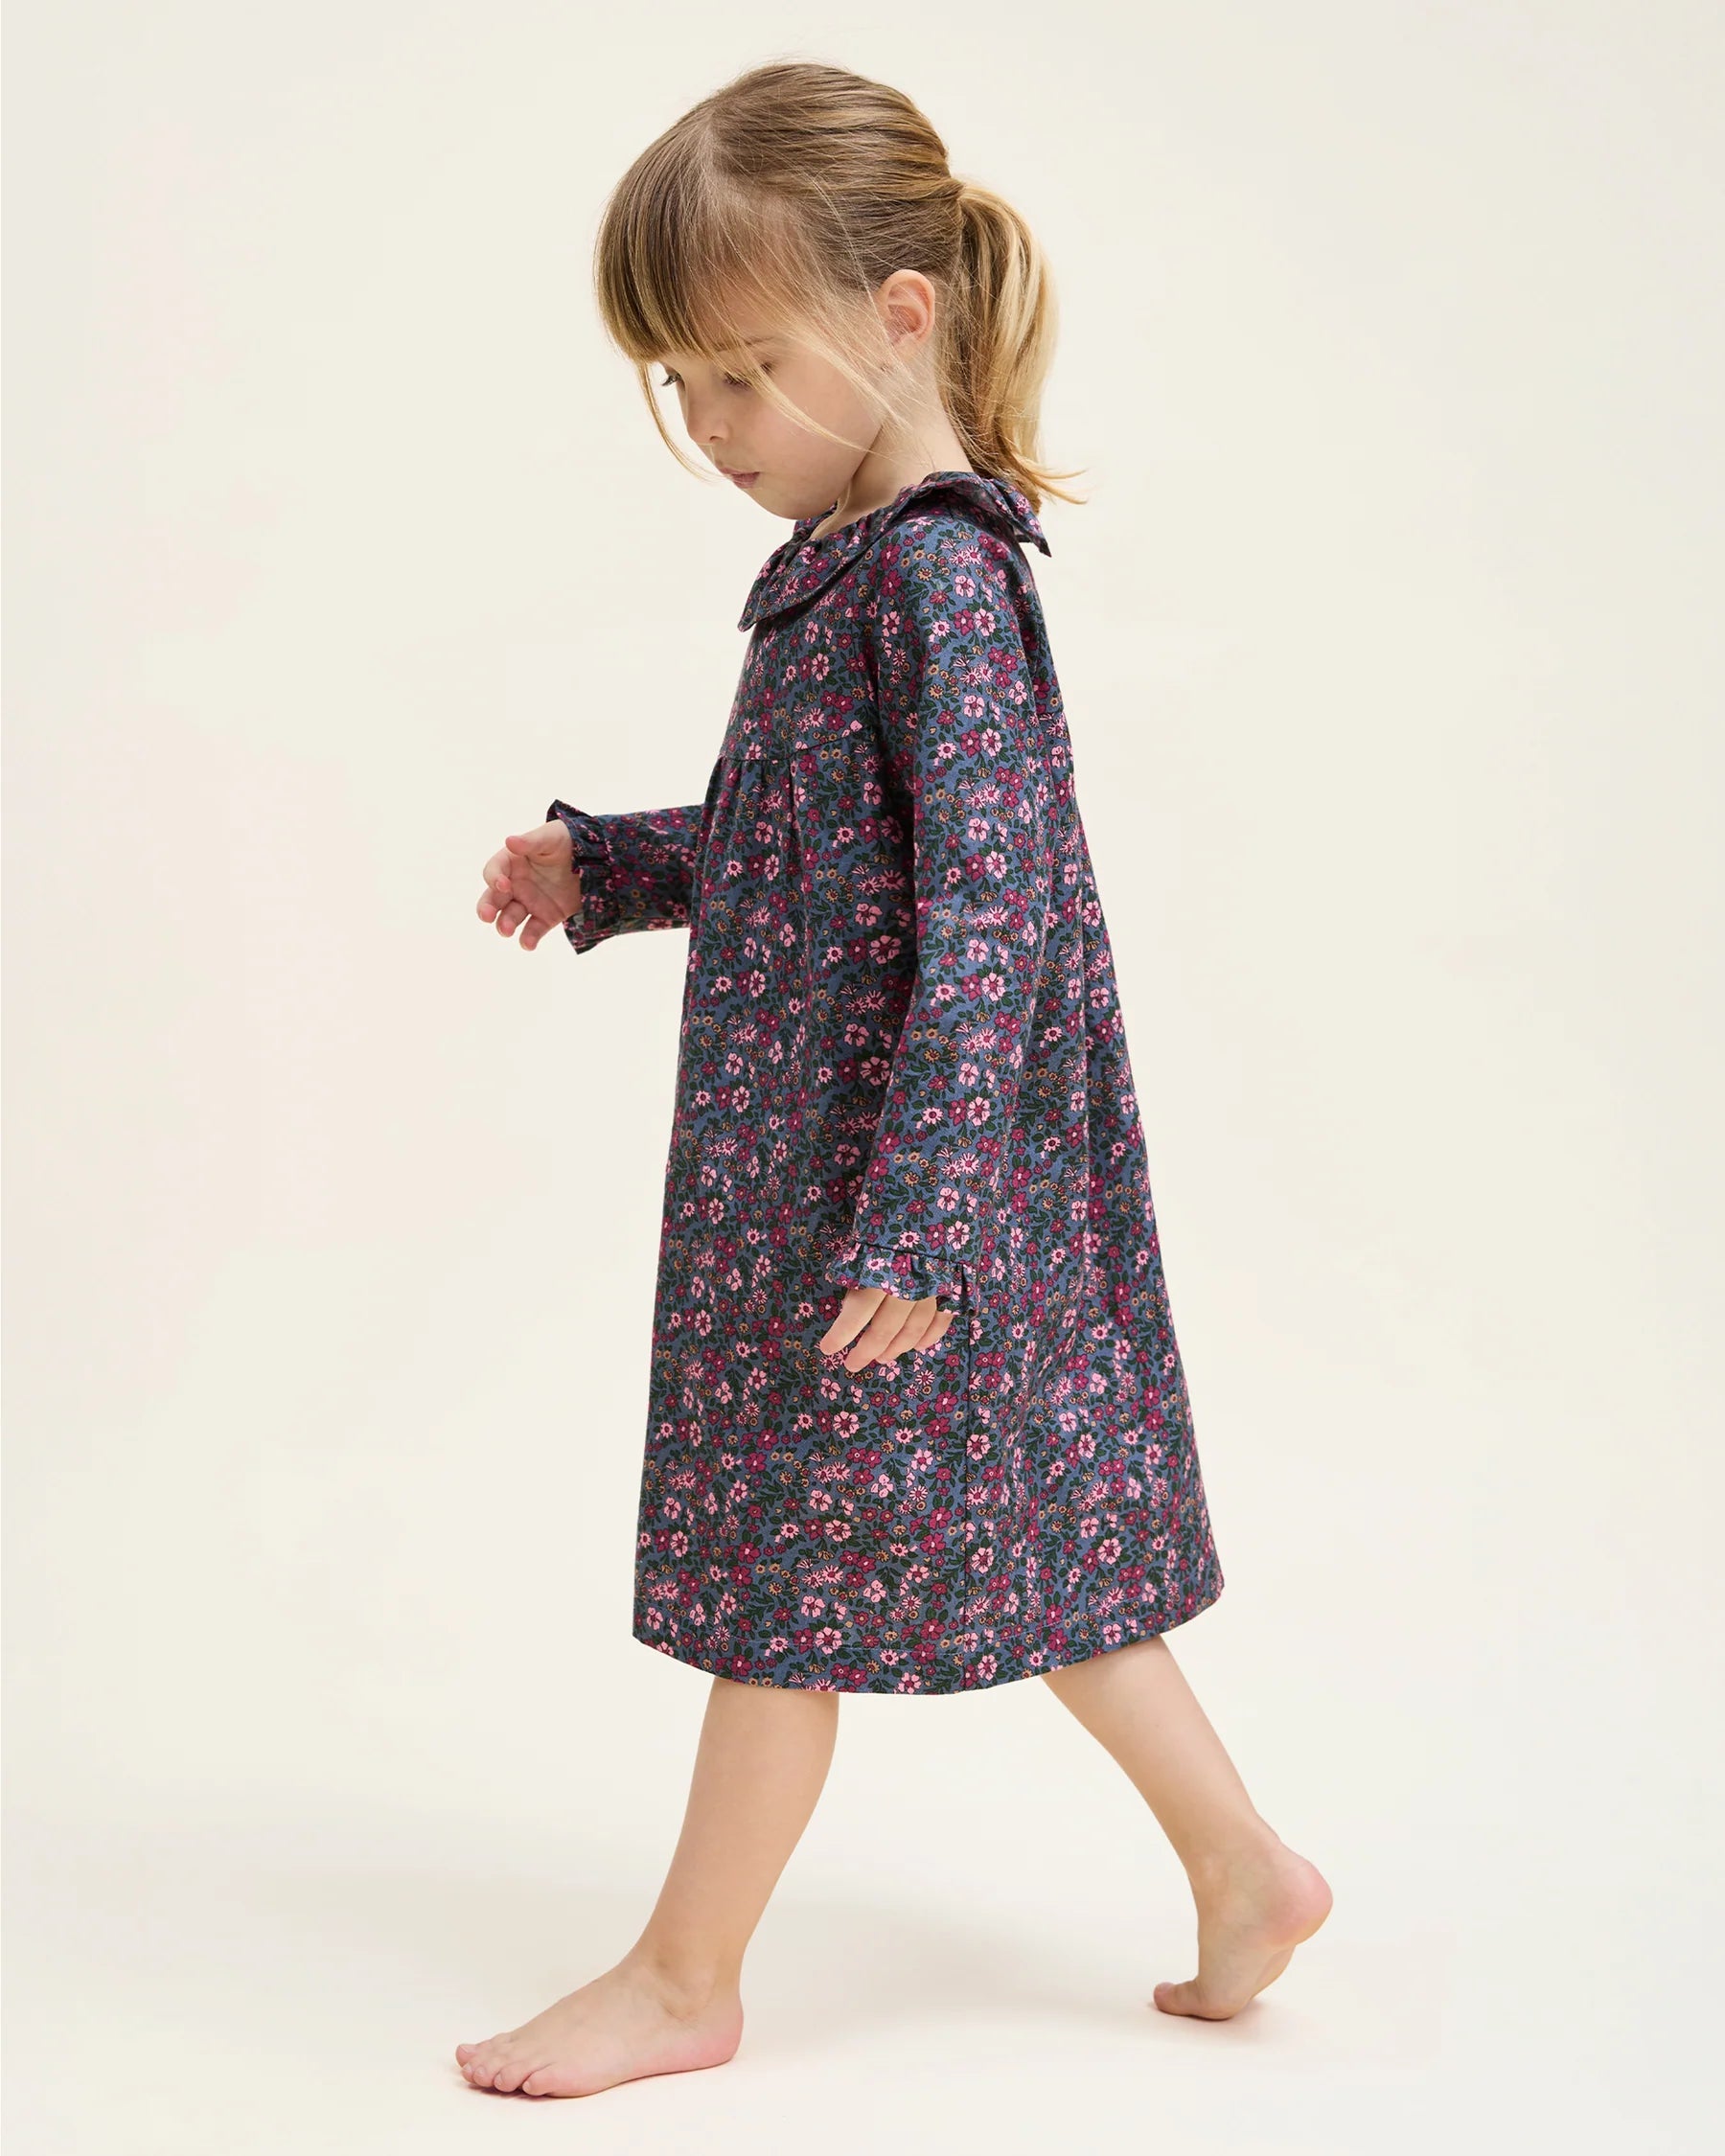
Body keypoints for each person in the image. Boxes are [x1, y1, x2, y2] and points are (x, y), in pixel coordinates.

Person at [462, 58, 1329, 2102]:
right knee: (1043, 1544)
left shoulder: (941, 578)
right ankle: (1245, 1870)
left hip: (891, 1200)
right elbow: (817, 854)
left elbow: (1000, 913)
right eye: (681, 385)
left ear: (901, 317)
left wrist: (929, 1216)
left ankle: (688, 1978)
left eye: (743, 372)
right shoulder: (858, 573)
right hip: (862, 1188)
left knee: (789, 1569)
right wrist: (616, 867)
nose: (713, 427)